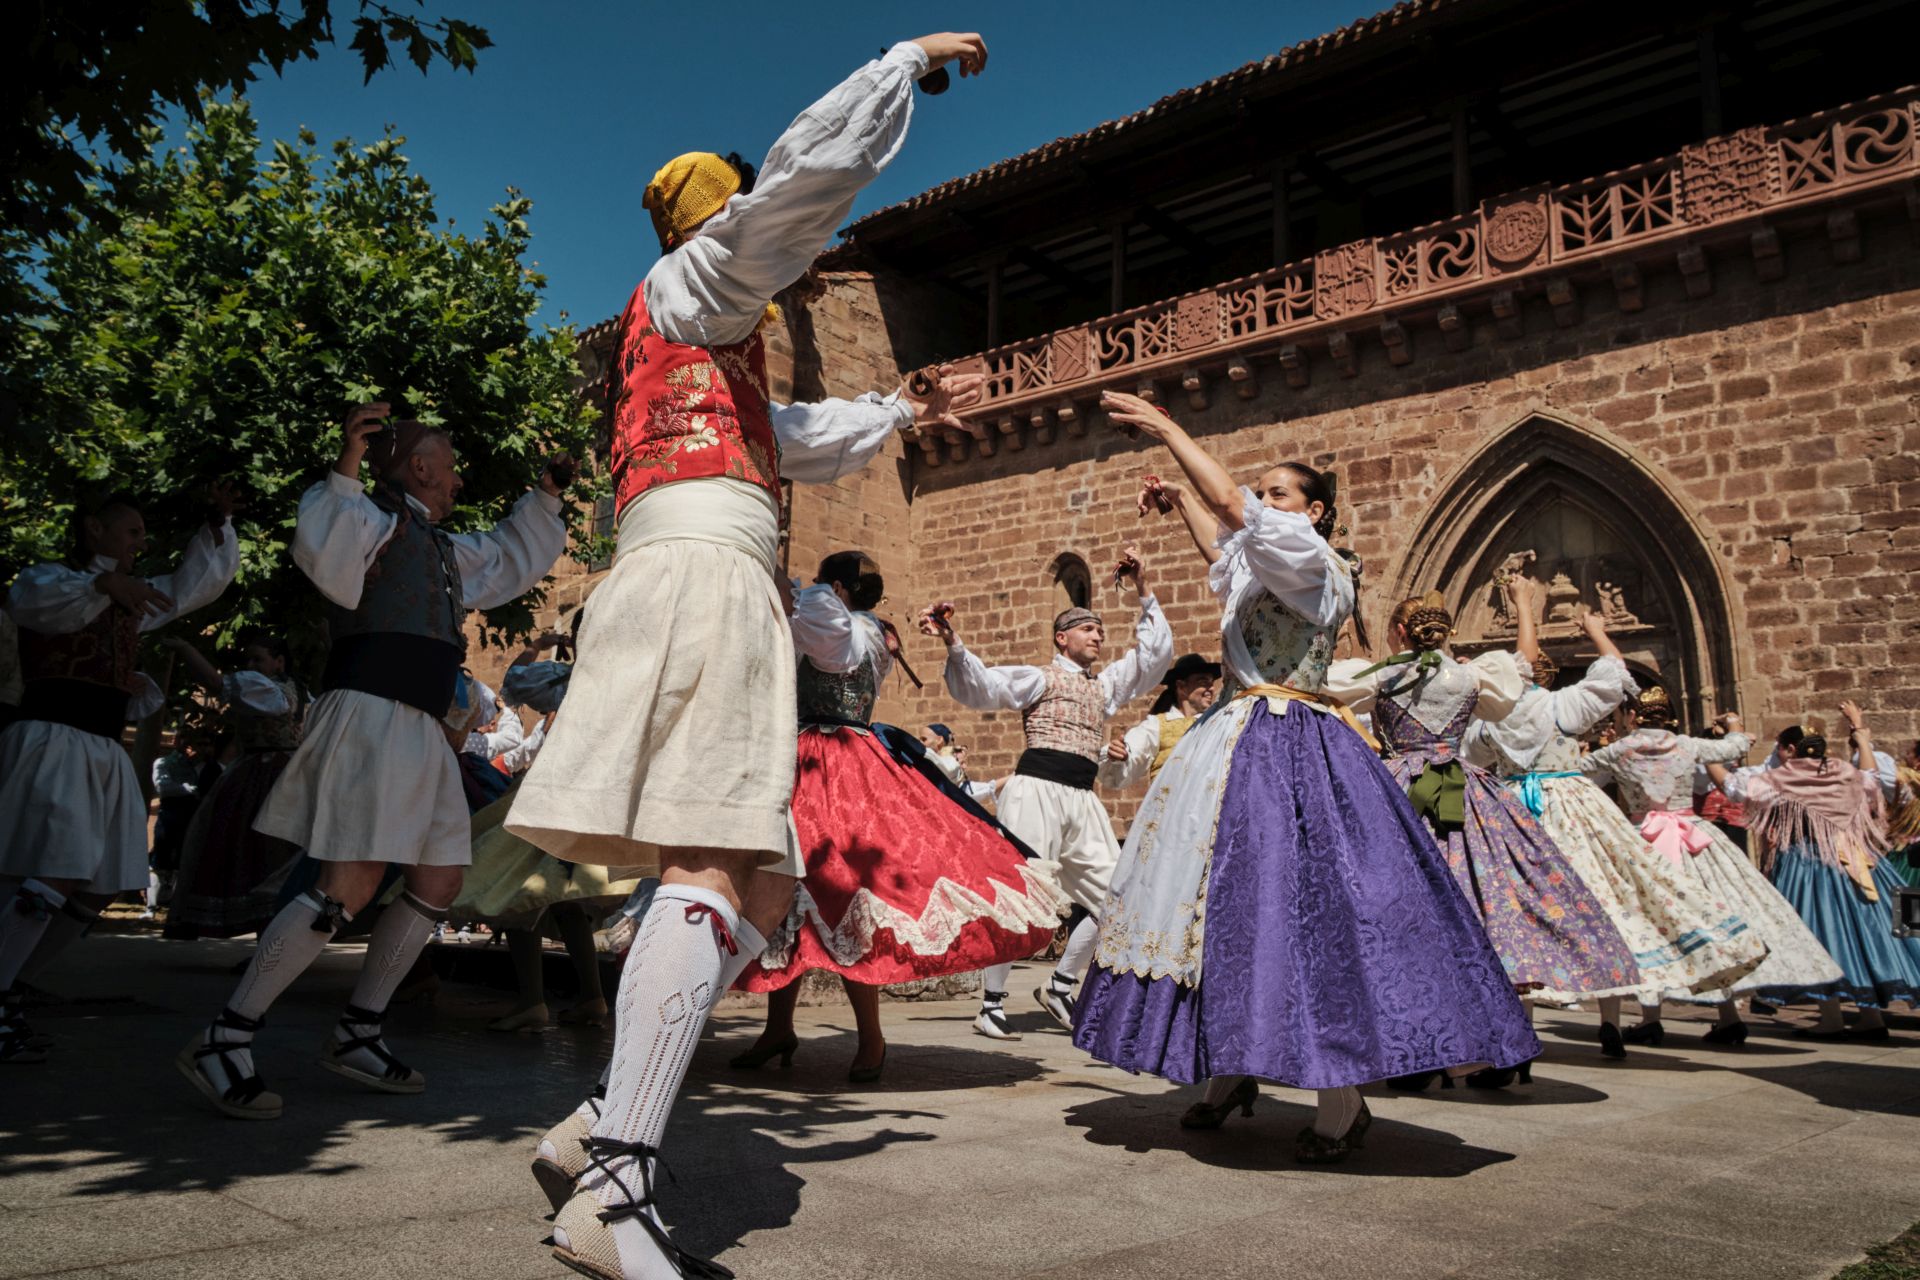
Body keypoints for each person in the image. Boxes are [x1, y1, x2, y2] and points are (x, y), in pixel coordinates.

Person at [504, 33, 993, 1279]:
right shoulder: (697, 279)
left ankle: (595, 1127)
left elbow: (801, 434)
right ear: (708, 222)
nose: (793, 256)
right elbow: (797, 189)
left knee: (762, 896)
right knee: (715, 866)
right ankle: (614, 1192)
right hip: (703, 572)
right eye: (744, 217)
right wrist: (901, 67)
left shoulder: (710, 340)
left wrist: (898, 412)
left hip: (712, 574)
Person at [1071, 392, 1538, 1161]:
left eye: (1280, 493)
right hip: (1234, 743)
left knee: (1305, 911)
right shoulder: (1267, 568)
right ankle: (1230, 1066)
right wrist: (1182, 497)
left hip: (1288, 745)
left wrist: (1166, 430)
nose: (1263, 501)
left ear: (1314, 513)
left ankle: (1341, 1098)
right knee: (1221, 906)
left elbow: (1235, 510)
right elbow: (1223, 547)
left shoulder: (1313, 564)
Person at [178, 406, 569, 1118]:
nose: (455, 478)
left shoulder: (444, 548)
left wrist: (545, 495)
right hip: (371, 713)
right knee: (348, 882)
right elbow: (328, 552)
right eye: (447, 466)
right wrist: (349, 467)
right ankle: (225, 1036)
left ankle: (360, 1029)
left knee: (439, 879)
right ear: (417, 467)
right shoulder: (370, 520)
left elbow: (510, 553)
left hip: (419, 728)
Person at [730, 551, 1065, 1082]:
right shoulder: (870, 632)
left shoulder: (839, 628)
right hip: (822, 757)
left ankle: (871, 1039)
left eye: (821, 584)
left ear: (836, 587)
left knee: (846, 897)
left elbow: (808, 622)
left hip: (830, 763)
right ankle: (779, 1029)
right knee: (790, 896)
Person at [1326, 591, 1642, 1075]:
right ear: (1447, 631)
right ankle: (1479, 1033)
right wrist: (1523, 608)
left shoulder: (1383, 675)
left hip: (1396, 791)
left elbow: (1324, 689)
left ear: (1400, 633)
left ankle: (1413, 1042)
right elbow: (1523, 665)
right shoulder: (1474, 675)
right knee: (1480, 899)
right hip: (1462, 789)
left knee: (1392, 905)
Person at [1462, 579, 1765, 1056]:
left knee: (1518, 909)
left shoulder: (1488, 723)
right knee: (1606, 901)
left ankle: (1523, 1026)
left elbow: (1472, 756)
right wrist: (1597, 631)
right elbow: (1611, 675)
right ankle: (1611, 1020)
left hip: (1514, 806)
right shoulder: (1559, 704)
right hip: (1572, 805)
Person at [0, 486, 239, 1062]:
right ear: (93, 530)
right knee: (49, 871)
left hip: (101, 749)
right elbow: (32, 602)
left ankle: (9, 983)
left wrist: (219, 522)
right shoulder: (50, 580)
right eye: (130, 531)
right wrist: (103, 584)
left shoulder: (130, 597)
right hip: (53, 738)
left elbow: (189, 587)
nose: (140, 542)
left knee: (102, 881)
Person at [919, 540, 1173, 1039]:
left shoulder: (1105, 686)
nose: (1098, 635)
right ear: (1062, 639)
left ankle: (1059, 985)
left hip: (1082, 798)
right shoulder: (1039, 678)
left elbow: (1153, 657)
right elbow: (983, 687)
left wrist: (1144, 589)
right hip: (1035, 790)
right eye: (1087, 628)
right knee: (1021, 892)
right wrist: (953, 642)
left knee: (1116, 897)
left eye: (1100, 629)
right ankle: (991, 1004)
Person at [1580, 689, 1843, 1045]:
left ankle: (1650, 1017)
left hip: (1642, 839)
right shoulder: (1688, 745)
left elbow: (1578, 772)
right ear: (1669, 716)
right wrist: (1733, 724)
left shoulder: (1618, 750)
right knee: (1713, 919)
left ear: (1632, 717)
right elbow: (1734, 748)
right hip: (1693, 836)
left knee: (1644, 922)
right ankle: (1729, 1016)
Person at [454, 627, 638, 1034]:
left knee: (522, 891)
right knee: (564, 899)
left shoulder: (567, 677)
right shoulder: (636, 676)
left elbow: (514, 684)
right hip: (603, 797)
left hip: (556, 792)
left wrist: (537, 647)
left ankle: (531, 1001)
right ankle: (591, 996)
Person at [1711, 702, 1919, 1038]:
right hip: (1861, 863)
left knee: (1820, 933)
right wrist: (1858, 730)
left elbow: (1733, 788)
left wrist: (1708, 753)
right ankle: (1871, 1019)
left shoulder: (1784, 779)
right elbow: (1871, 778)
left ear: (1791, 752)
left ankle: (1832, 1018)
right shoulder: (1844, 774)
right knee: (1869, 932)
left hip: (1808, 864)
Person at [162, 631, 308, 940]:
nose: (251, 665)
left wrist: (185, 646)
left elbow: (217, 683)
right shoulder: (287, 690)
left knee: (272, 854)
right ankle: (266, 938)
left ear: (279, 662)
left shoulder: (282, 691)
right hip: (267, 775)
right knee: (254, 852)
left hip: (273, 777)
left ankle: (274, 939)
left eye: (258, 658)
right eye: (248, 659)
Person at [1100, 651, 1220, 791]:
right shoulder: (1157, 725)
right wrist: (1120, 756)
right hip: (1171, 808)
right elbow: (1132, 752)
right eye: (1203, 682)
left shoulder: (1217, 722)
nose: (1211, 688)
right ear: (1181, 687)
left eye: (1211, 683)